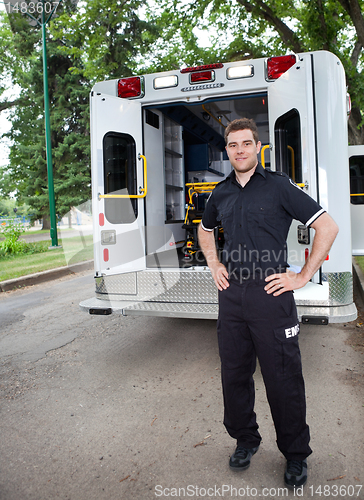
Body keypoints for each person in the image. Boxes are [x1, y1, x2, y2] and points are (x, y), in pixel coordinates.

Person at [198, 118, 338, 489]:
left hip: (271, 296)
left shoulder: (278, 187)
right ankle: (245, 439)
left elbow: (328, 226)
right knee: (234, 374)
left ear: (258, 147)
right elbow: (205, 229)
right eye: (232, 145)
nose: (240, 150)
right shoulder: (220, 193)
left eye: (246, 143)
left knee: (283, 378)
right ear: (226, 150)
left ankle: (295, 454)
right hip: (232, 298)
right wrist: (214, 263)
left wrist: (302, 276)